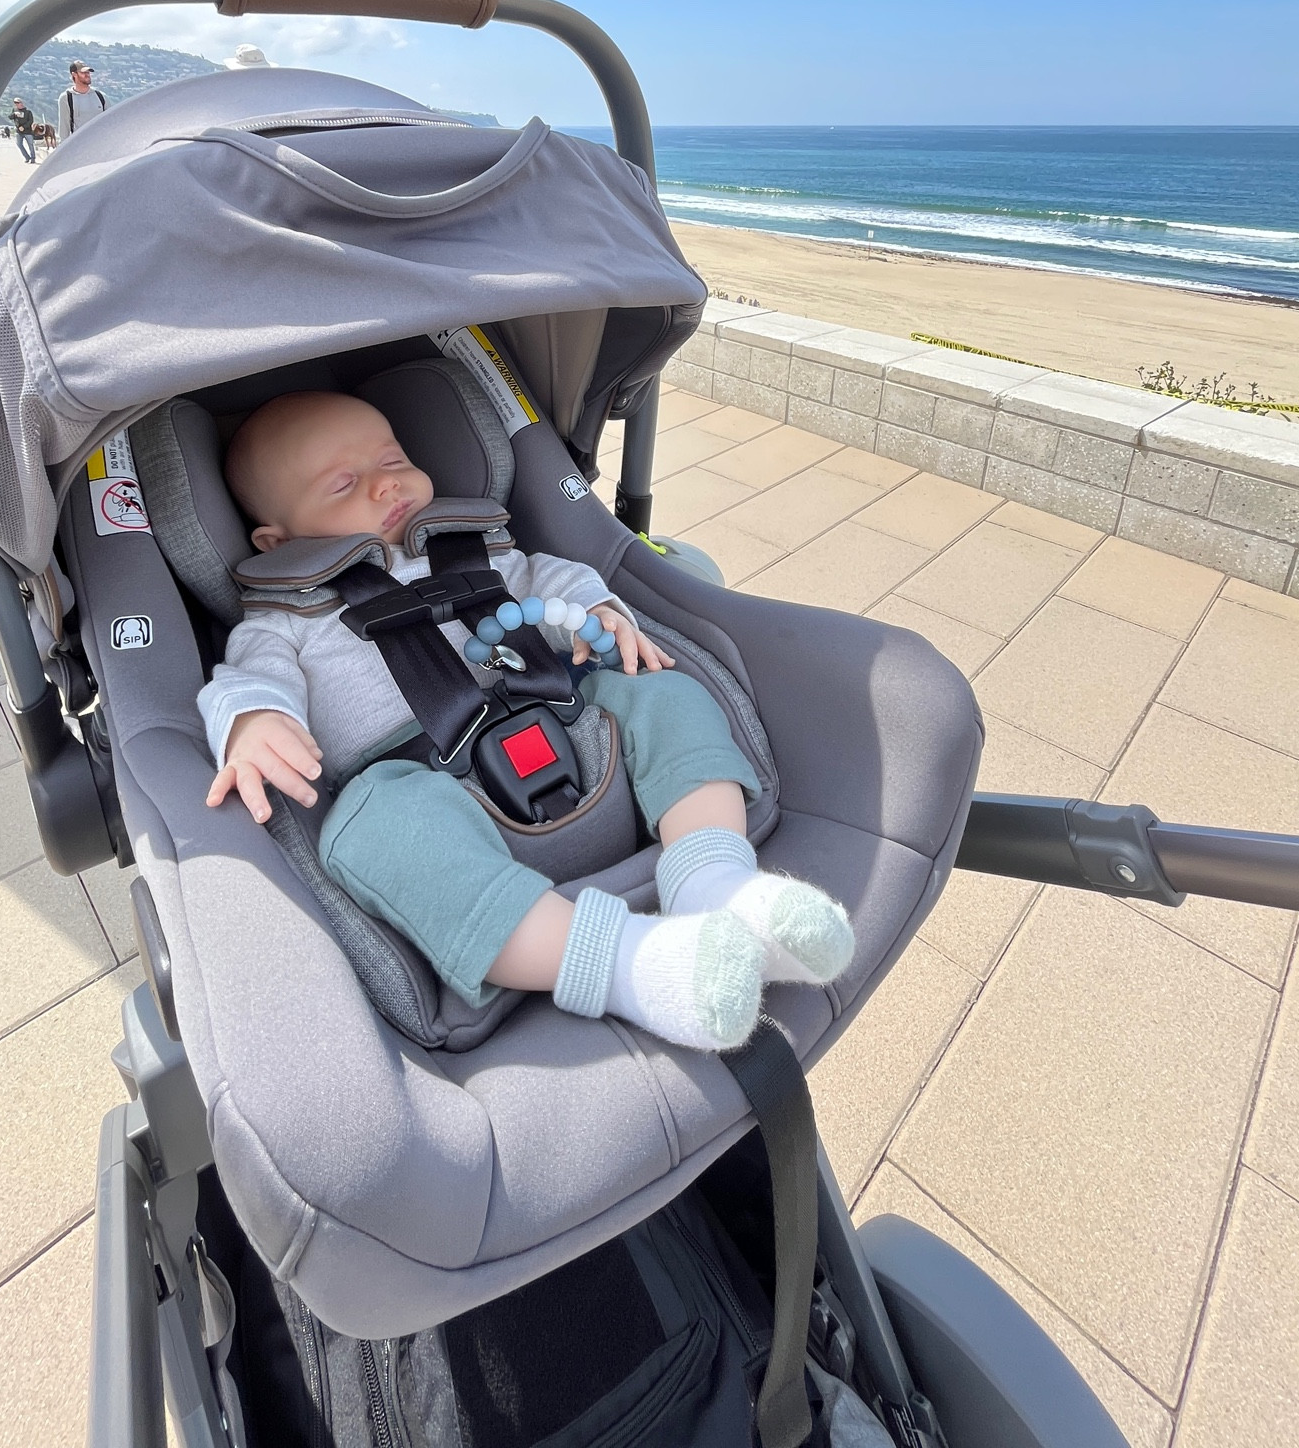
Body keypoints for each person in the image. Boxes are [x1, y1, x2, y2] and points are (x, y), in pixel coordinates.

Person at [197, 393, 853, 1052]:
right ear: (276, 541)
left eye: (393, 460)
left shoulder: (474, 546)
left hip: (566, 723)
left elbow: (552, 579)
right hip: (425, 792)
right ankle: (632, 966)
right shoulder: (282, 619)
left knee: (661, 694)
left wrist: (595, 612)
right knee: (364, 830)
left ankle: (716, 882)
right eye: (344, 484)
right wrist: (253, 721)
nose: (385, 484)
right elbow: (247, 679)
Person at [58, 60, 107, 140]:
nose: (87, 75)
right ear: (74, 75)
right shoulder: (66, 98)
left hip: (101, 143)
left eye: (88, 72)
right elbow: (64, 129)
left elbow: (111, 122)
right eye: (83, 73)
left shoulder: (101, 96)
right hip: (80, 144)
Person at [11, 98, 38, 165]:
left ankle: (33, 158)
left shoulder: (28, 112)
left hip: (28, 131)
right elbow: (10, 117)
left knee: (30, 145)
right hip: (19, 131)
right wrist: (14, 114)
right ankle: (27, 157)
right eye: (15, 103)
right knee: (19, 144)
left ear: (21, 103)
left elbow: (31, 121)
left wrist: (23, 127)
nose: (16, 104)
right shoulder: (15, 111)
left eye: (18, 103)